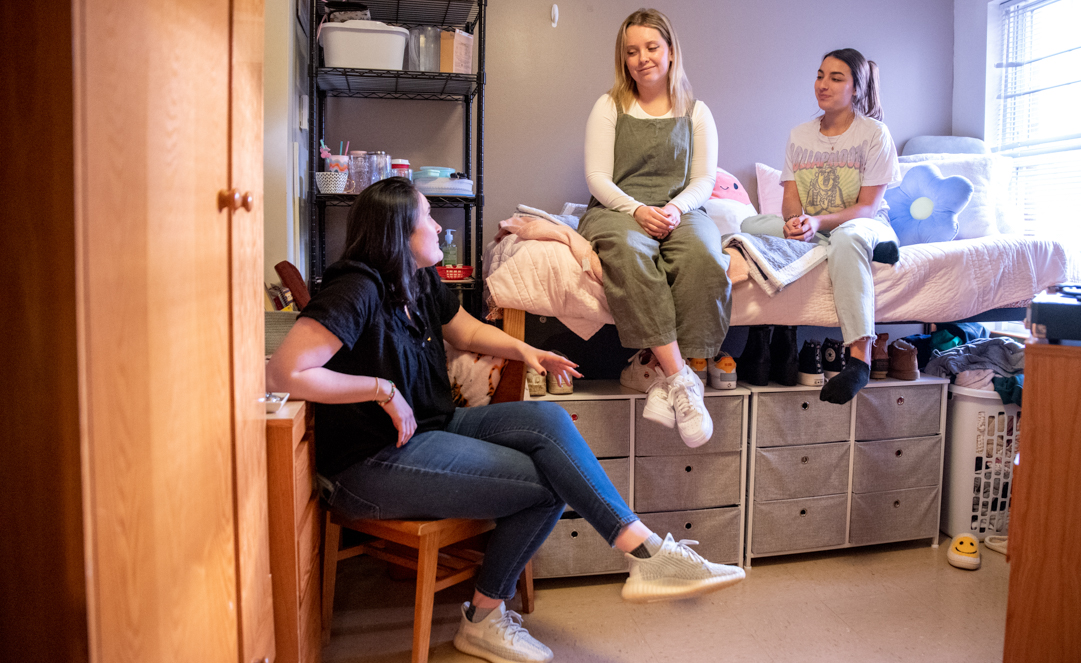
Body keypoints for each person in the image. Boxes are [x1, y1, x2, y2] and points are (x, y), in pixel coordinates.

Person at [266, 177, 744, 663]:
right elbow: (284, 370)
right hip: (368, 464)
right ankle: (487, 617)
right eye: (427, 218)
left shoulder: (418, 277)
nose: (437, 227)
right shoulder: (357, 287)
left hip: (429, 429)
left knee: (550, 425)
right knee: (546, 485)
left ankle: (641, 552)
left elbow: (466, 331)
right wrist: (379, 388)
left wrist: (528, 350)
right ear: (397, 233)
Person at [579, 8, 730, 448]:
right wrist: (637, 210)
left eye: (650, 47)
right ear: (622, 59)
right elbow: (596, 178)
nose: (641, 58)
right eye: (631, 51)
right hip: (618, 209)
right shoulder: (608, 106)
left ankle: (658, 376)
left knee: (704, 255)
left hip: (680, 210)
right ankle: (681, 379)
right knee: (628, 252)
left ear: (669, 51)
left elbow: (705, 180)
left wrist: (676, 210)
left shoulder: (697, 112)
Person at [779, 48, 901, 405]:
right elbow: (790, 196)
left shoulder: (874, 134)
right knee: (752, 226)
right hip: (817, 225)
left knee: (847, 240)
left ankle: (860, 359)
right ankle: (870, 249)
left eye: (836, 78)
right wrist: (793, 223)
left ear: (856, 89)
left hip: (863, 222)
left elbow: (866, 207)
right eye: (820, 75)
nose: (823, 85)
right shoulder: (800, 135)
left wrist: (815, 221)